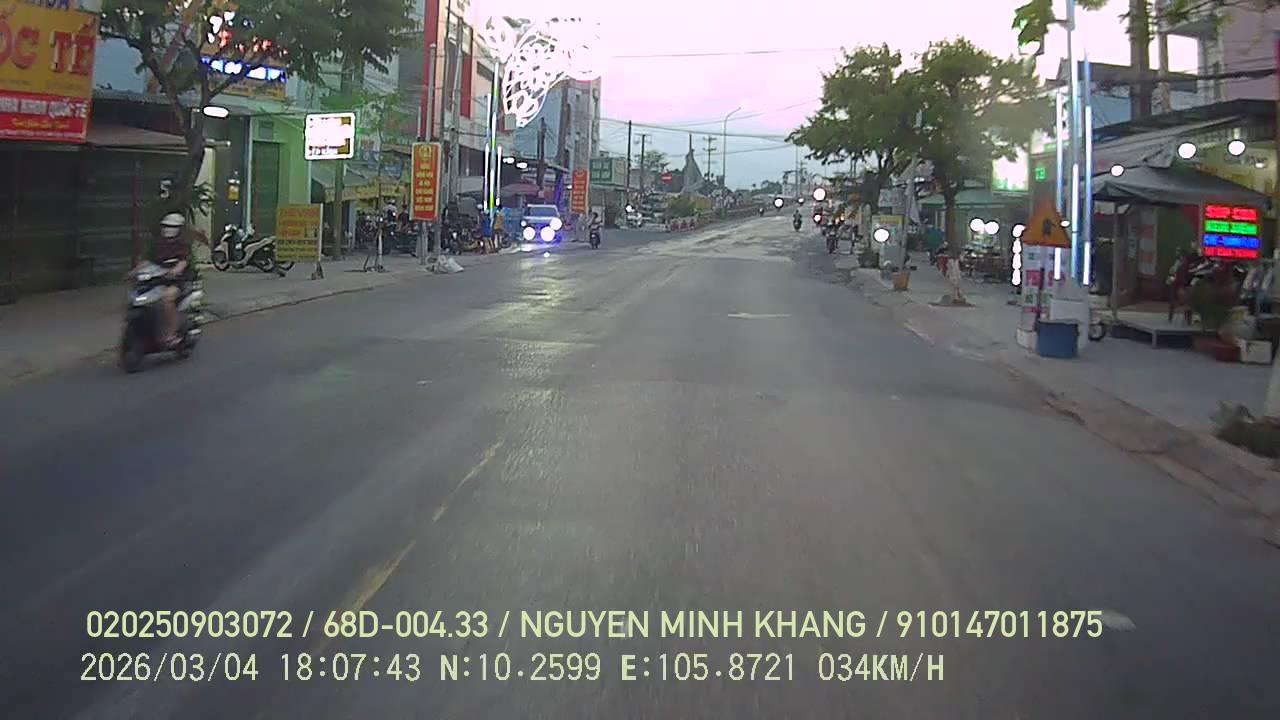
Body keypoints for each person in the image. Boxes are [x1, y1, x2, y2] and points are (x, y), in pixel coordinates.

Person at [148, 212, 193, 348]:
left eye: (172, 227)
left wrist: (175, 271)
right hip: (158, 281)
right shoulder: (158, 244)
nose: (169, 229)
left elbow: (183, 261)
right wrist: (134, 272)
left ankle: (171, 334)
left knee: (167, 298)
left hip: (177, 282)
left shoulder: (183, 245)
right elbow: (147, 261)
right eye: (166, 226)